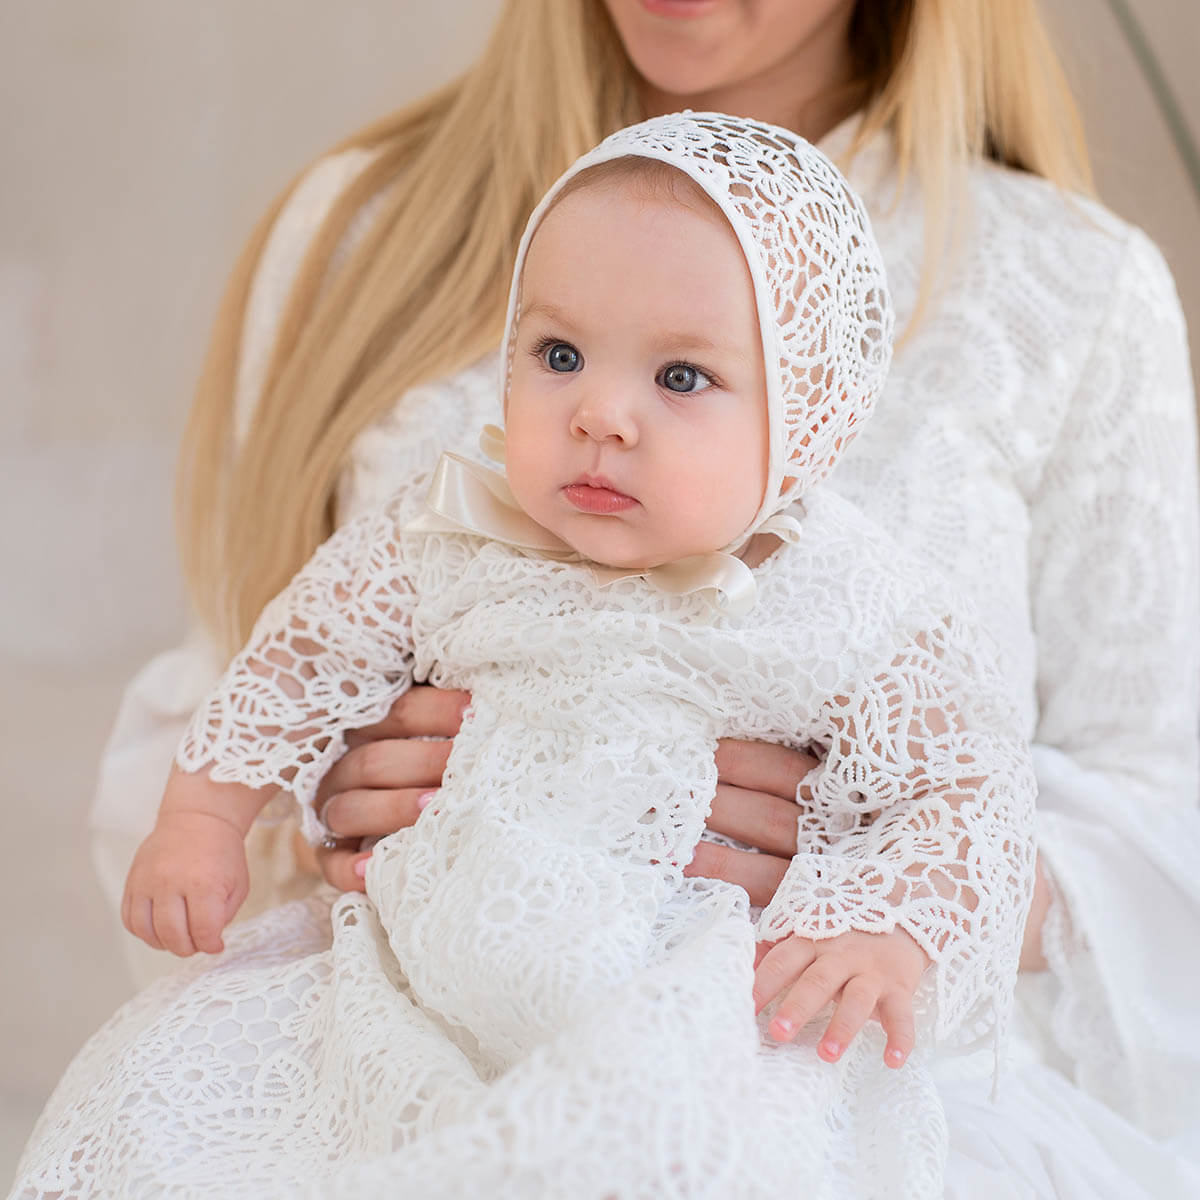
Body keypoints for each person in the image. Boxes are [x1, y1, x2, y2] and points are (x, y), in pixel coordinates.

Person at [87, 0, 1199, 1195]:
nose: (604, 417)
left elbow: (1151, 804)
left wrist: (873, 883)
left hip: (781, 1067)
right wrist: (302, 801)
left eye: (683, 377)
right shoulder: (367, 226)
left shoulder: (1067, 290)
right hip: (394, 1035)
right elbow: (260, 670)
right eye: (554, 355)